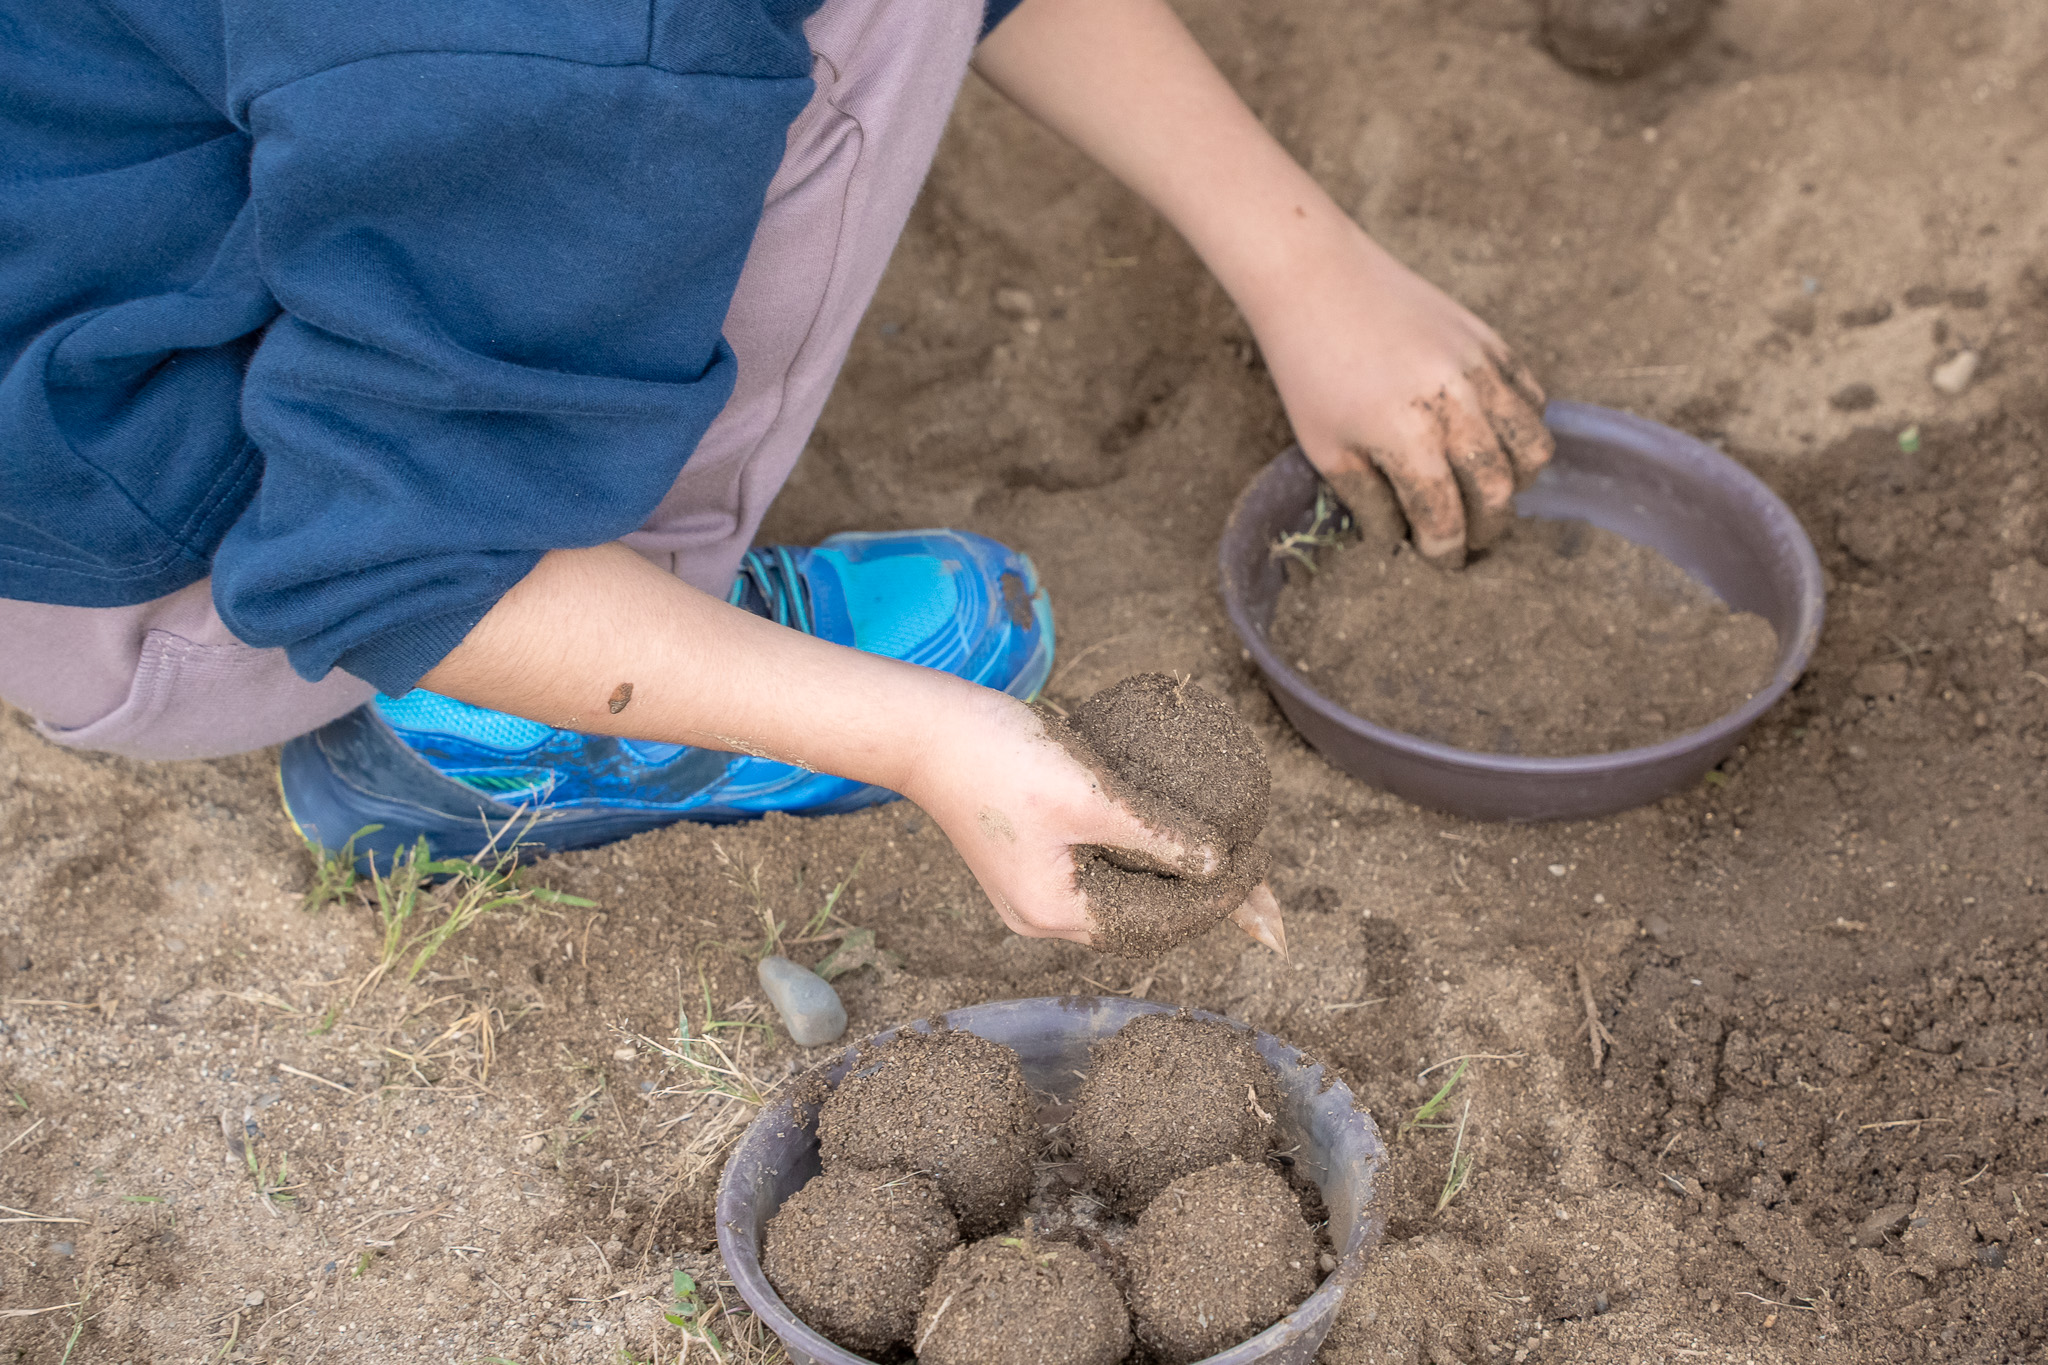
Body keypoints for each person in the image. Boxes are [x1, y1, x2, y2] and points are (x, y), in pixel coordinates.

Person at [0, 0, 1552, 947]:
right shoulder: (592, 52)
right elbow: (392, 561)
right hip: (161, 550)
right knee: (762, 99)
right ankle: (493, 727)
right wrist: (926, 739)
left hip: (99, 234)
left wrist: (1308, 272)